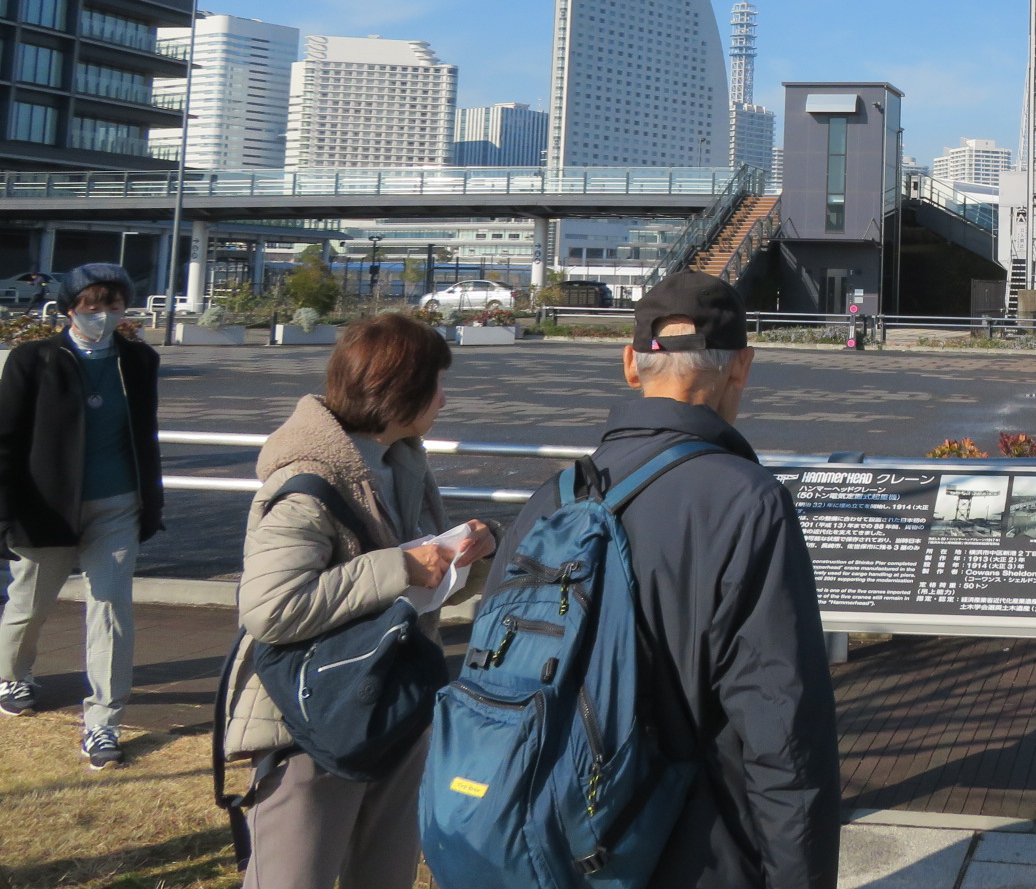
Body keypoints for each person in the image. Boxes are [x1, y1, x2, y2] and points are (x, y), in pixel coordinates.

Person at [477, 269, 839, 889]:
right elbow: (782, 726)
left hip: (554, 840)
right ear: (741, 366)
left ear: (630, 364)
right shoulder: (748, 503)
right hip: (696, 850)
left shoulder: (554, 498)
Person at [220, 313, 496, 888]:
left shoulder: (402, 462)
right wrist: (399, 566)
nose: (444, 399)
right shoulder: (306, 481)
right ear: (399, 390)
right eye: (437, 384)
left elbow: (417, 586)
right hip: (310, 720)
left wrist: (471, 556)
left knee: (385, 875)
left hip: (396, 706)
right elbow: (270, 608)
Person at [0, 263, 163, 767]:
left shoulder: (138, 360)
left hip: (117, 505)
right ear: (69, 308)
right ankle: (12, 675)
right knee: (29, 604)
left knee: (110, 607)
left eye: (113, 305)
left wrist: (151, 502)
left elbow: (145, 434)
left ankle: (103, 723)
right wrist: (5, 510)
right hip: (45, 507)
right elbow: (6, 439)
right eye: (92, 305)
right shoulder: (34, 359)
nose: (103, 315)